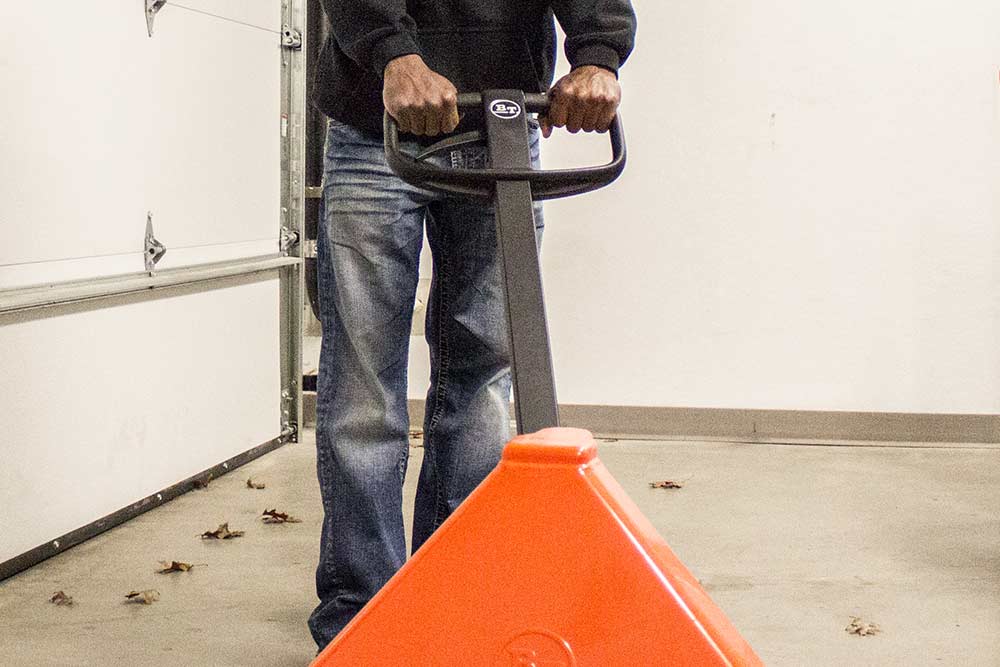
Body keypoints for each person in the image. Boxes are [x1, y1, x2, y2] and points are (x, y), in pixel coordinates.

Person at [309, 0, 637, 651]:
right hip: (377, 128)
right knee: (362, 393)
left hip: (503, 124)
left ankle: (458, 598)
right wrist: (393, 54)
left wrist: (598, 53)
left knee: (484, 380)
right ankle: (364, 623)